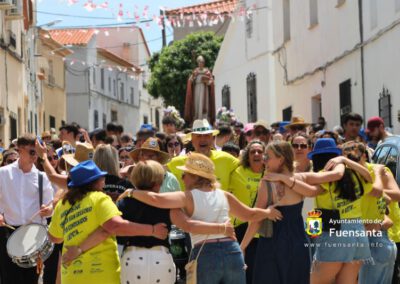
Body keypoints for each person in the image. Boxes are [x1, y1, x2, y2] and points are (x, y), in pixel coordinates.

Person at [125, 153, 283, 284]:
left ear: (195, 177)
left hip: (205, 253)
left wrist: (131, 192)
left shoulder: (186, 197)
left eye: (185, 174)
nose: (182, 177)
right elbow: (250, 214)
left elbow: (156, 200)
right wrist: (267, 212)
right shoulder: (224, 195)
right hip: (232, 252)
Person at [48, 160, 169, 284]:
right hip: (100, 274)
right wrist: (152, 230)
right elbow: (114, 226)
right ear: (94, 182)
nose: (104, 180)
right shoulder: (99, 199)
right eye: (101, 177)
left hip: (71, 275)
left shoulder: (62, 204)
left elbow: (54, 237)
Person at [241, 141, 320, 284]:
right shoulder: (300, 178)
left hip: (273, 242)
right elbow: (329, 180)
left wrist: (242, 247)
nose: (264, 160)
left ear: (281, 159)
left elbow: (256, 220)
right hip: (299, 239)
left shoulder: (267, 182)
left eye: (268, 157)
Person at [299, 138, 373, 284]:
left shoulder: (324, 175)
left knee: (315, 281)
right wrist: (346, 161)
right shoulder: (355, 174)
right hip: (358, 232)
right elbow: (370, 178)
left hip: (335, 232)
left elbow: (311, 195)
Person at [0, 134, 54, 284]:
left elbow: (51, 206)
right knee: (10, 279)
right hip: (8, 232)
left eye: (37, 152)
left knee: (31, 279)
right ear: (20, 150)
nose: (35, 156)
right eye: (31, 151)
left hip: (34, 234)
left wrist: (48, 210)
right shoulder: (3, 173)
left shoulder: (43, 177)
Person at [228, 140, 265, 284]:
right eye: (252, 152)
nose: (256, 154)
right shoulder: (237, 171)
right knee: (244, 272)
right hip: (241, 229)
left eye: (260, 151)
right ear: (247, 156)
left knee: (261, 272)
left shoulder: (271, 173)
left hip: (263, 231)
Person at [168, 119, 239, 191]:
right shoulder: (177, 162)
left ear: (212, 138)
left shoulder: (226, 159)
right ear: (192, 140)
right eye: (198, 136)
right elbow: (159, 173)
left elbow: (245, 166)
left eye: (206, 135)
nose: (203, 139)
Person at [184, 55, 216, 125]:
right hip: (196, 89)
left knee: (205, 105)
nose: (200, 63)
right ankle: (197, 119)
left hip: (205, 90)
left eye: (202, 62)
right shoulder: (195, 71)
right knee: (197, 104)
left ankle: (205, 120)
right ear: (197, 63)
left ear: (204, 63)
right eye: (199, 62)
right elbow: (190, 81)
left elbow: (211, 81)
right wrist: (192, 79)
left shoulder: (207, 71)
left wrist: (207, 82)